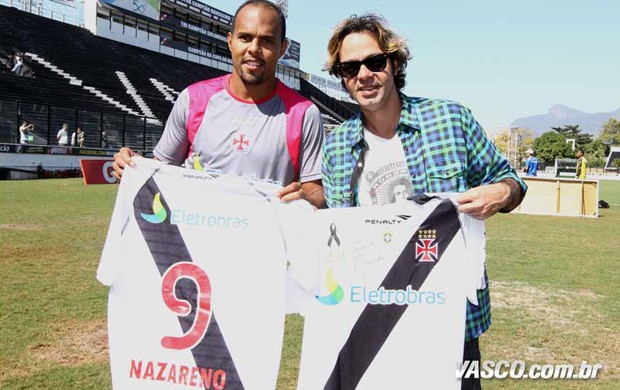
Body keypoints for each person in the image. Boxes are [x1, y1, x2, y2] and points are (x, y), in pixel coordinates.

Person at [322, 14, 527, 389]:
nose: (364, 74)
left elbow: (511, 182)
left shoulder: (450, 119)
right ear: (341, 76)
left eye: (374, 61)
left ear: (395, 62)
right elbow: (339, 237)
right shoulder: (336, 146)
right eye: (350, 67)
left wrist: (502, 193)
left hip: (448, 320)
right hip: (372, 322)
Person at [113, 0, 324, 208]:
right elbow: (160, 171)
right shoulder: (193, 99)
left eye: (267, 41)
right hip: (199, 237)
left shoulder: (304, 113)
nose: (254, 48)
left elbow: (315, 192)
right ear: (230, 41)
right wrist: (132, 166)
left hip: (268, 240)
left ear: (282, 48)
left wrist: (305, 198)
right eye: (245, 37)